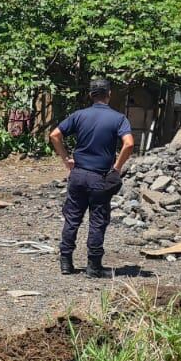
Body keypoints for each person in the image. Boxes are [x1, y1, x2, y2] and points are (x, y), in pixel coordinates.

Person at [48, 78, 135, 277]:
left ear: (90, 95)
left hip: (78, 175)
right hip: (100, 177)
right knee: (97, 220)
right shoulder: (118, 118)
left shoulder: (79, 115)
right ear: (109, 94)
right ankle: (93, 267)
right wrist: (117, 167)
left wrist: (66, 159)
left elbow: (54, 135)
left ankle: (66, 263)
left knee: (72, 218)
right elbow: (129, 144)